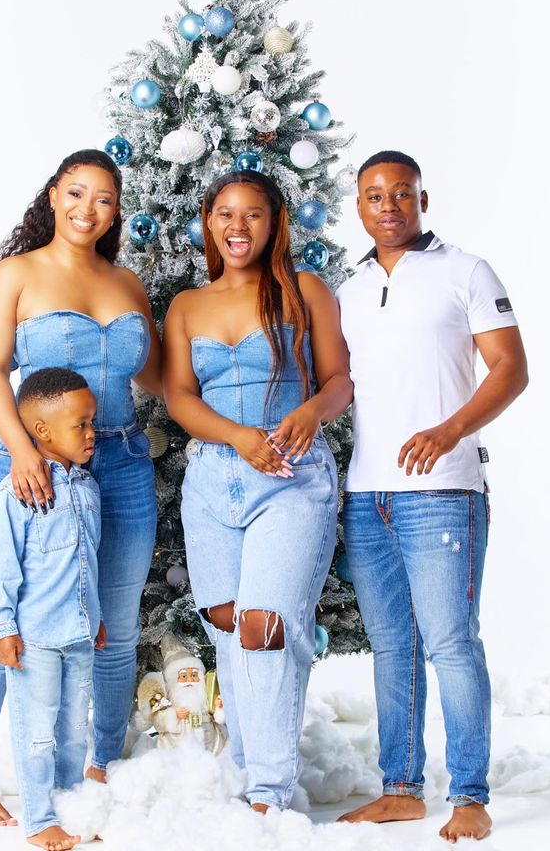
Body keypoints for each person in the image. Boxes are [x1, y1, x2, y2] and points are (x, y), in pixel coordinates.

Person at [0, 149, 161, 826]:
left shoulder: (129, 285)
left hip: (122, 465)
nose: (87, 210)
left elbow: (159, 377)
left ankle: (100, 764)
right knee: (8, 616)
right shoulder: (16, 275)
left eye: (103, 199)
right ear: (53, 194)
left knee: (117, 625)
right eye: (76, 193)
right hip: (30, 466)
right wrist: (22, 452)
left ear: (116, 211)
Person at [335, 150, 528, 842]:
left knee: (450, 642)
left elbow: (510, 367)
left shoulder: (465, 271)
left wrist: (451, 431)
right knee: (393, 646)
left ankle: (470, 794)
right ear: (358, 206)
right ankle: (401, 789)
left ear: (422, 199)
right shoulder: (347, 288)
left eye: (400, 194)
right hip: (367, 493)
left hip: (443, 492)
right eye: (372, 196)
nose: (387, 206)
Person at [162, 170, 352, 812]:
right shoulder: (188, 306)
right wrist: (238, 437)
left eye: (252, 215)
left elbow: (339, 381)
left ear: (274, 224)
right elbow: (179, 397)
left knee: (267, 625)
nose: (237, 227)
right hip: (214, 479)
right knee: (227, 624)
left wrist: (311, 412)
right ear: (208, 223)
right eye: (224, 214)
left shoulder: (304, 290)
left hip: (291, 478)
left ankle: (270, 790)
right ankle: (249, 771)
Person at [0, 367, 103, 851]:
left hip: (79, 634)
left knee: (76, 729)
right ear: (42, 431)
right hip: (35, 638)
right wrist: (3, 628)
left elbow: (87, 561)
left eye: (92, 421)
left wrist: (94, 617)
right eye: (81, 424)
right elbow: (2, 569)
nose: (93, 432)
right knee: (38, 734)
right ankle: (38, 819)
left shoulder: (88, 488)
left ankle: (69, 805)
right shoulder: (18, 494)